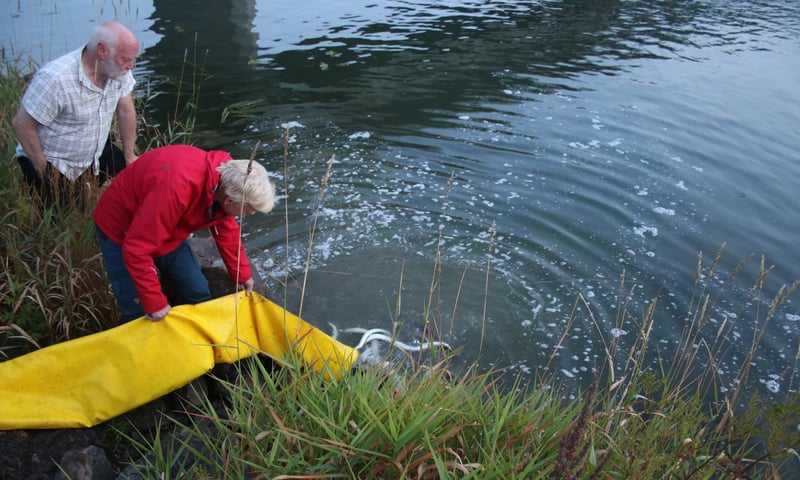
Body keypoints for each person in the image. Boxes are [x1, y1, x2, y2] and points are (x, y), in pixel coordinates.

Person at [93, 144, 275, 323]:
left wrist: (242, 275)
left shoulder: (228, 180)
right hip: (121, 228)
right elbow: (136, 248)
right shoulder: (177, 190)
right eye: (249, 210)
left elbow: (226, 227)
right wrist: (155, 303)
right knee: (137, 312)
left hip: (170, 230)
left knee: (197, 292)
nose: (250, 214)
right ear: (228, 201)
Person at [11, 21, 140, 203]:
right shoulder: (56, 78)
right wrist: (45, 173)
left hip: (94, 155)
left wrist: (129, 154)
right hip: (54, 162)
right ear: (102, 51)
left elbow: (125, 110)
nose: (131, 66)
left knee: (138, 176)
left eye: (132, 59)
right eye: (126, 59)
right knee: (67, 210)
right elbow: (22, 125)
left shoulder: (118, 71)